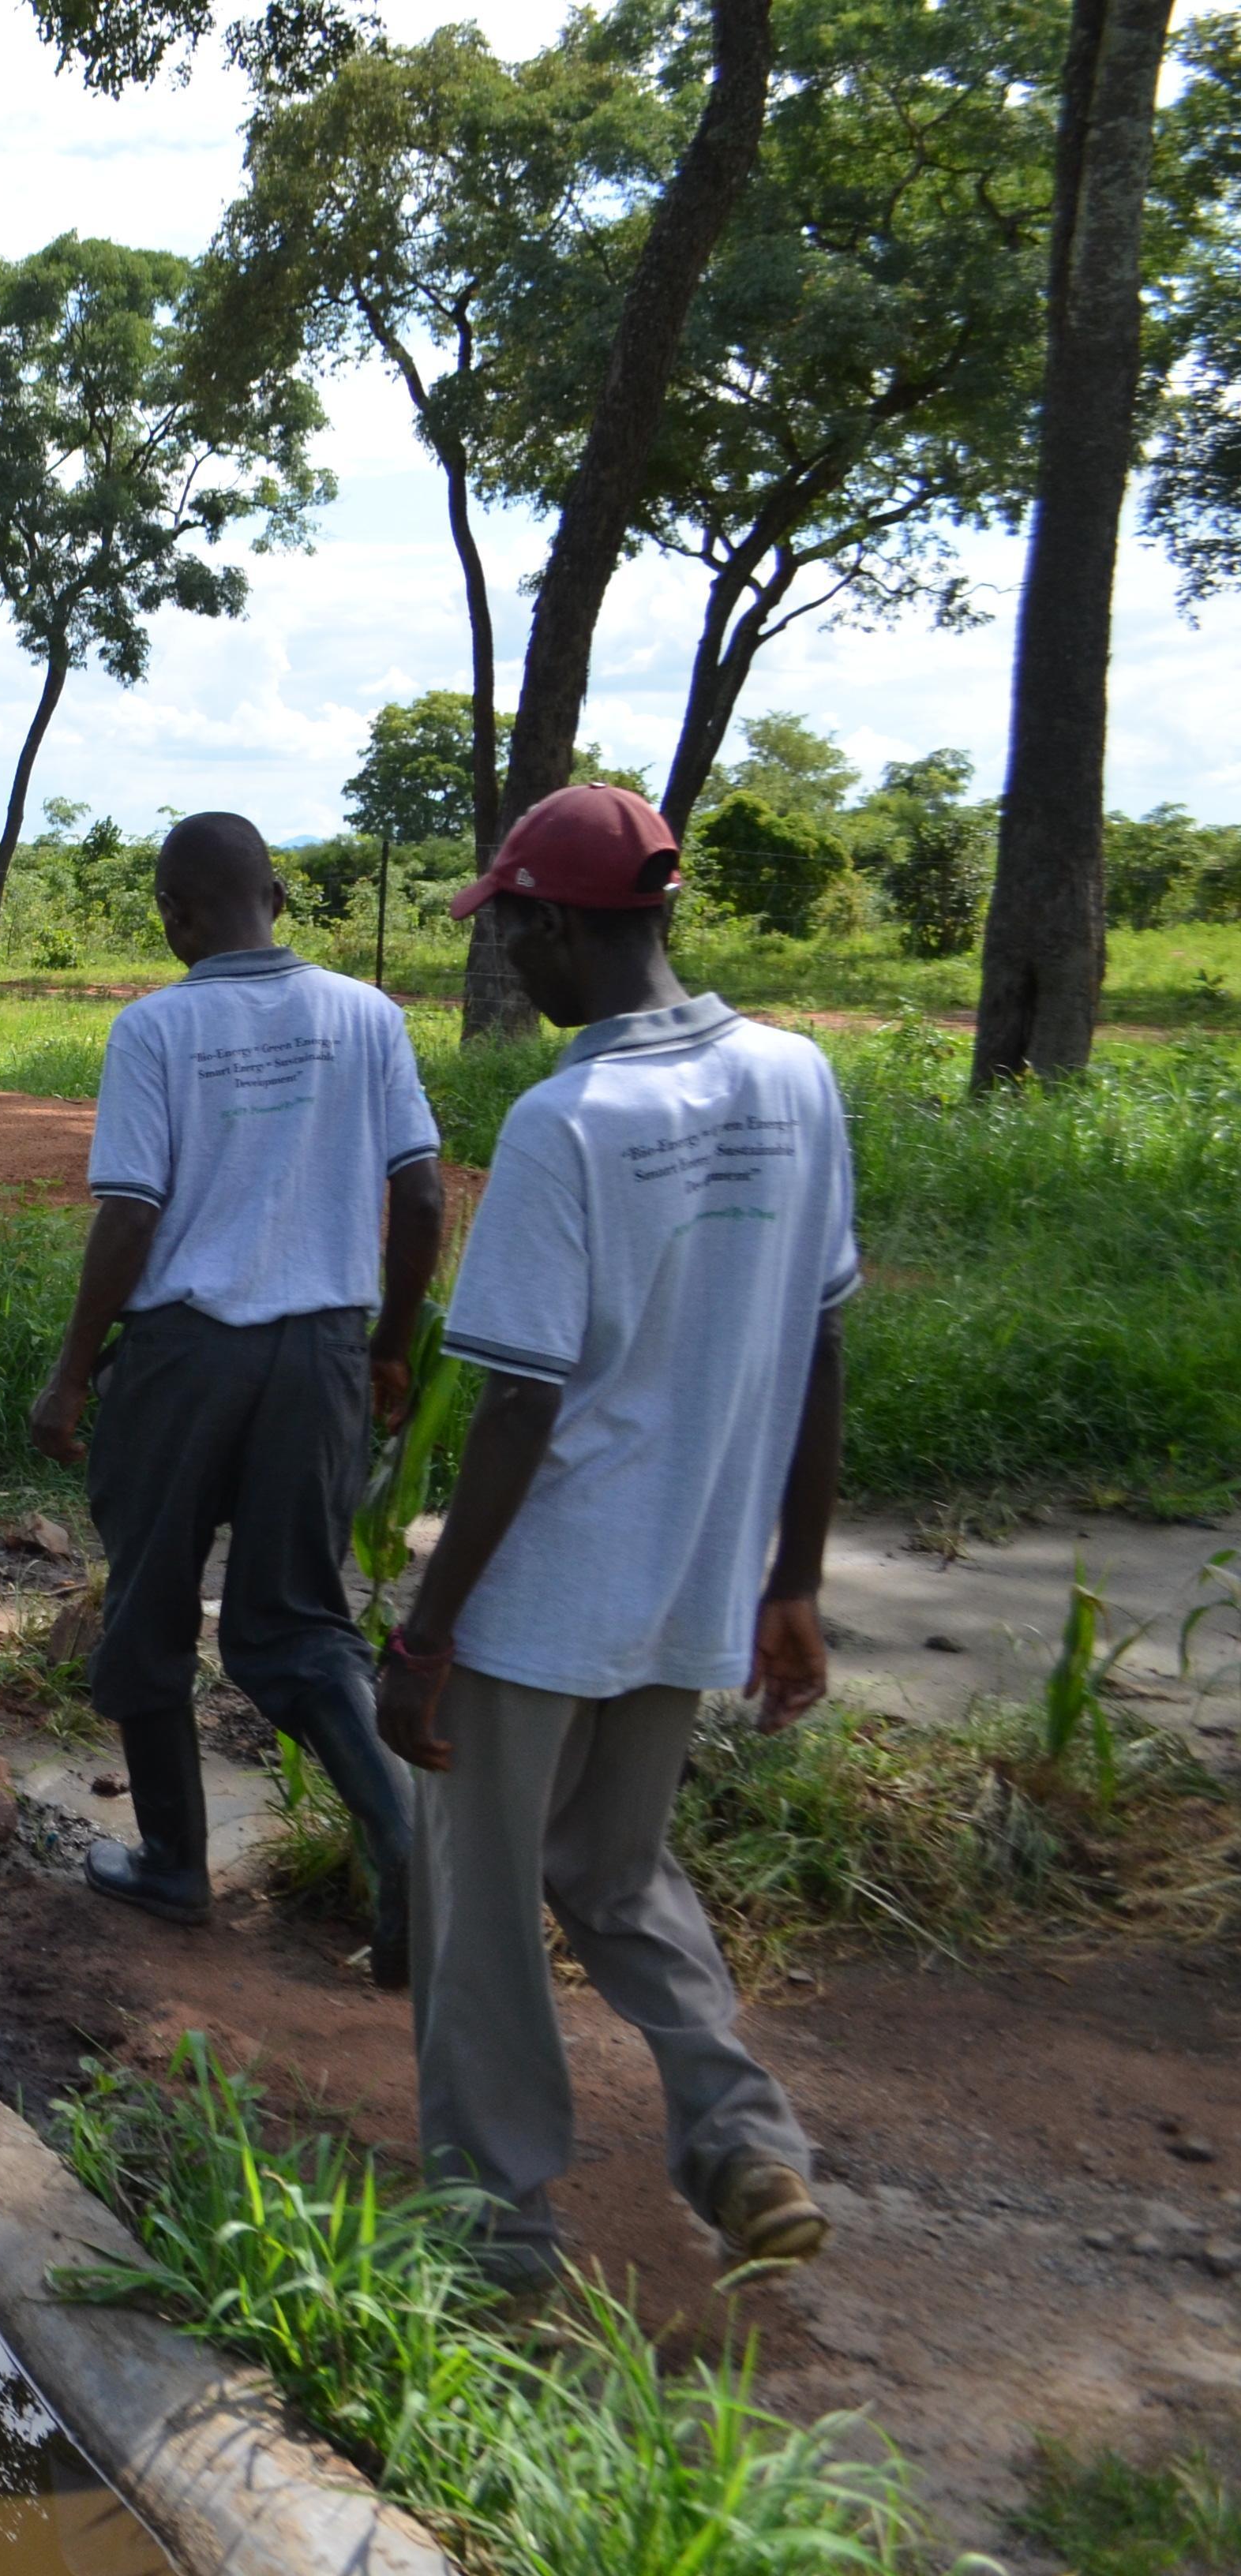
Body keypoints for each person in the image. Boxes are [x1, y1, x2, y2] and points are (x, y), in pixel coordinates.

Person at [380, 783, 851, 2284]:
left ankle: (497, 2229)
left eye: (507, 930)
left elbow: (519, 1402)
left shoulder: (569, 1122)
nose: (505, 960)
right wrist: (791, 1579)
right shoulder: (795, 1080)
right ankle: (746, 2144)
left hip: (544, 1596)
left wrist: (427, 1632)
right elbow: (820, 1340)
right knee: (620, 1871)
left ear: (552, 924)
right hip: (692, 1582)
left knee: (481, 1913)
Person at [30, 811, 444, 1986]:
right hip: (322, 1353)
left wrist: (71, 1372)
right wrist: (391, 1347)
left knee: (151, 1603)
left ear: (178, 914)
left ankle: (175, 1865)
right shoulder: (368, 1016)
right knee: (298, 1623)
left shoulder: (157, 1028)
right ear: (279, 895)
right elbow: (421, 1198)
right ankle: (404, 1842)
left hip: (184, 1359)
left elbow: (132, 1213)